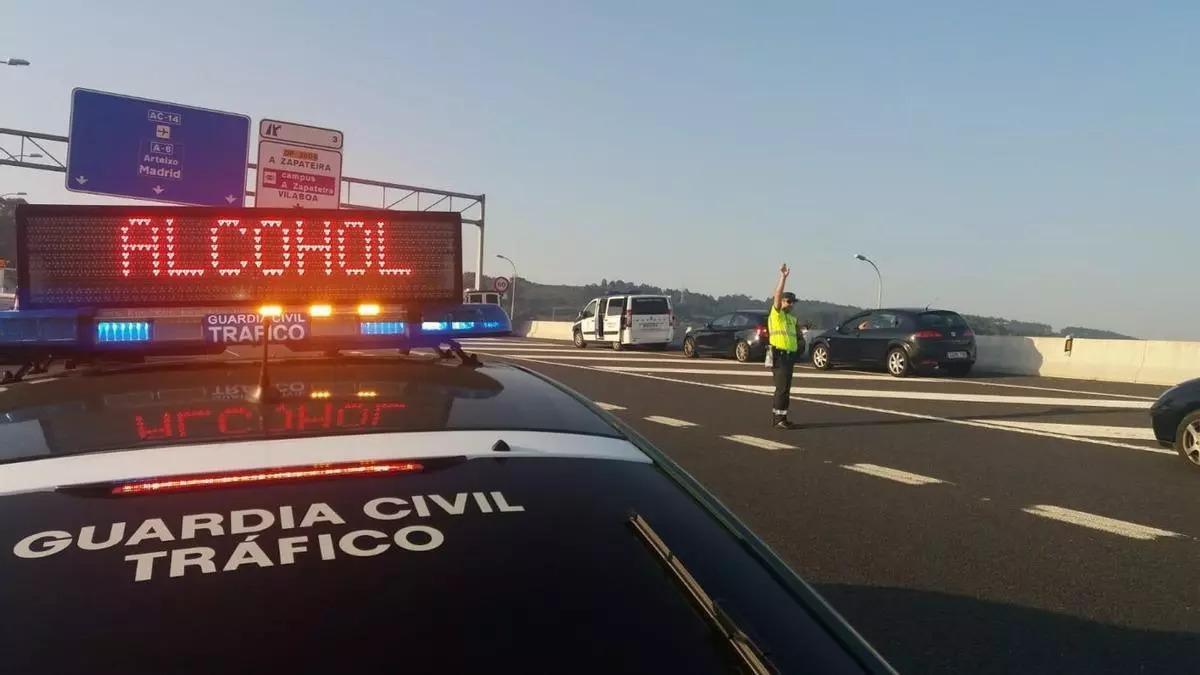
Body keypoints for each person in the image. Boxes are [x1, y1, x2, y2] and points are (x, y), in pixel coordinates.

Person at [768, 263, 801, 429]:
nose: (791, 304)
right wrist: (783, 277)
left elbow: (796, 337)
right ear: (781, 302)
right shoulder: (777, 315)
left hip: (789, 356)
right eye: (788, 301)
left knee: (786, 388)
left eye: (793, 302)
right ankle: (778, 419)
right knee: (781, 388)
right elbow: (777, 294)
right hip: (779, 355)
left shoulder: (791, 319)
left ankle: (783, 417)